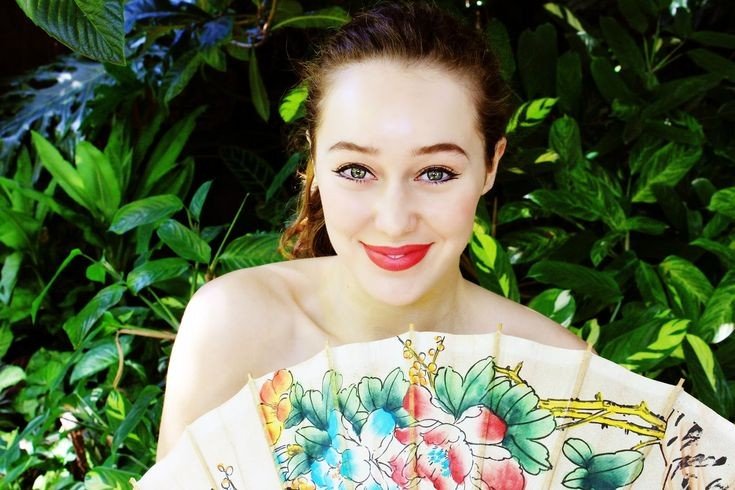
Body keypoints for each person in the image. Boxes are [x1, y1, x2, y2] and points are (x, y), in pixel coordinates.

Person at [155, 1, 585, 461]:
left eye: (436, 173)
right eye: (356, 170)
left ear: (490, 166)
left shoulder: (560, 373)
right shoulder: (233, 327)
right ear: (314, 161)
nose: (394, 221)